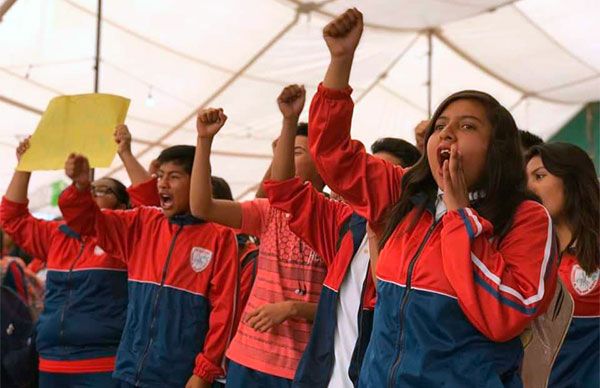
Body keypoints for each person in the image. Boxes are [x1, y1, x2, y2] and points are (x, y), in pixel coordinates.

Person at [308, 8, 559, 387]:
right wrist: (340, 61)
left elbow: (504, 313)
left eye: (467, 126)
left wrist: (460, 215)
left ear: (499, 148)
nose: (448, 134)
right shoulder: (404, 193)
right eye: (440, 125)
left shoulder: (526, 218)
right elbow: (332, 155)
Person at [57, 146, 239, 388]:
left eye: (174, 177)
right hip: (129, 371)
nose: (163, 184)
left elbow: (225, 312)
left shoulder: (220, 236)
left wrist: (204, 372)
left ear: (198, 181)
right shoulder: (142, 222)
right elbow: (88, 222)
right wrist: (80, 189)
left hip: (182, 378)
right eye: (160, 175)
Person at [190, 85, 326, 387]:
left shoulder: (340, 221)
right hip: (246, 360)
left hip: (302, 368)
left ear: (324, 164)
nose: (286, 157)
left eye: (297, 151)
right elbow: (201, 206)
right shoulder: (268, 213)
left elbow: (346, 306)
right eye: (283, 152)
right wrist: (204, 140)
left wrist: (294, 309)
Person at [264, 132, 419, 387]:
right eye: (368, 174)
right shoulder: (346, 224)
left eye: (382, 177)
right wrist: (289, 123)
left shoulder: (420, 241)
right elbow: (283, 191)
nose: (369, 186)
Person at [0, 138, 130, 388]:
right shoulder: (57, 235)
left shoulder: (125, 240)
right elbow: (12, 218)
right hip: (51, 362)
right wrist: (24, 166)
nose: (91, 193)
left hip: (102, 364)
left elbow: (149, 198)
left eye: (102, 190)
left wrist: (125, 153)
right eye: (90, 189)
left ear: (124, 207)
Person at [526, 142, 599, 388]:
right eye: (524, 179)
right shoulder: (527, 255)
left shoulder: (593, 253)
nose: (528, 188)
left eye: (539, 176)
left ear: (572, 181)